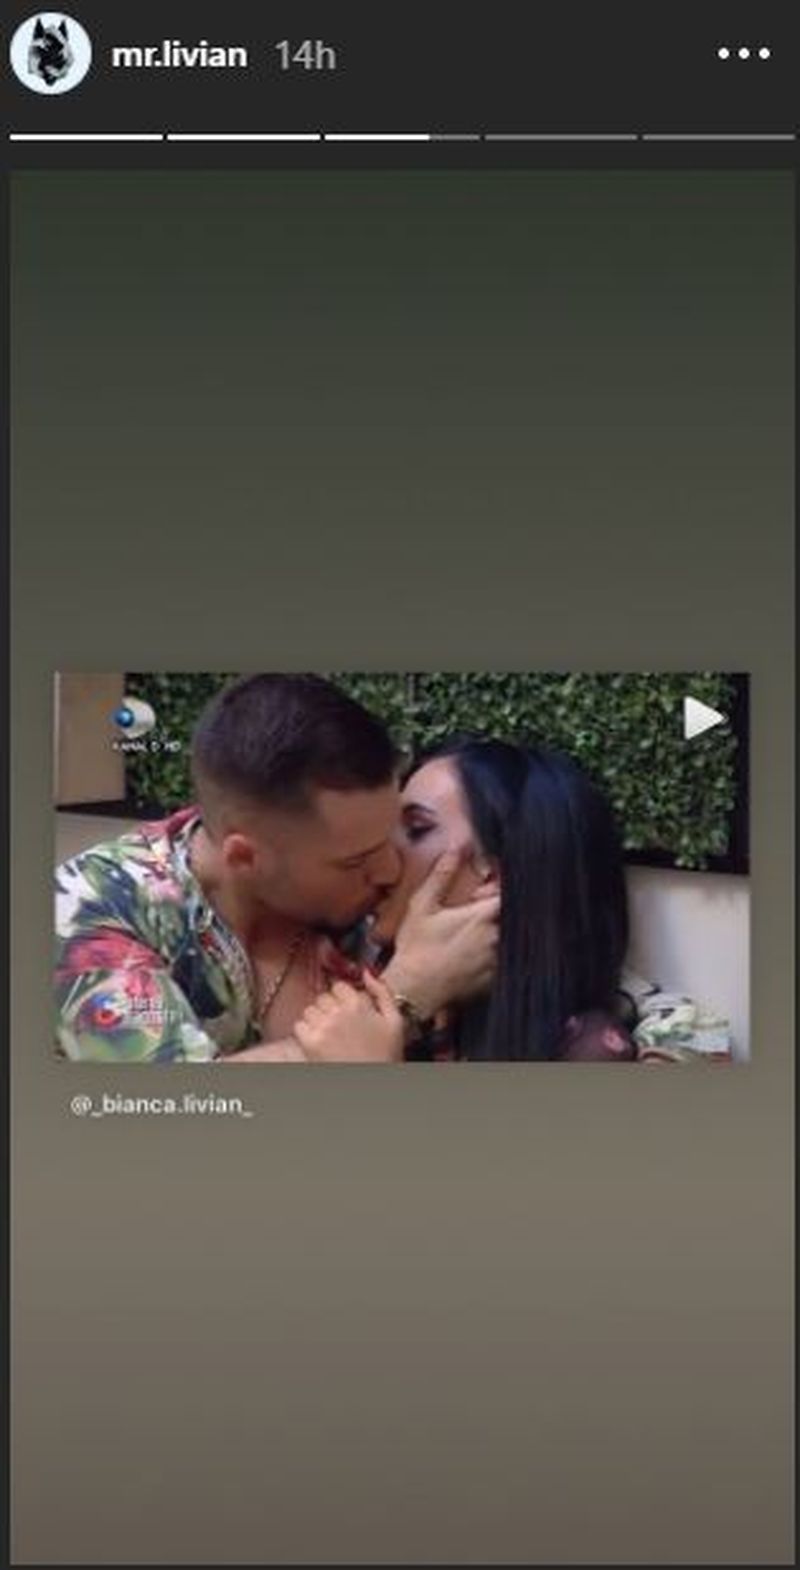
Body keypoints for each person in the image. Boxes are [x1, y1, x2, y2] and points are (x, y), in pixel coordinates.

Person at [55, 679, 499, 1062]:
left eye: (393, 835)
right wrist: (408, 992)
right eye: (355, 861)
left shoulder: (363, 908)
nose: (390, 870)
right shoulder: (93, 910)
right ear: (246, 858)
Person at [292, 737, 638, 1062]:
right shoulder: (337, 959)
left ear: (495, 877)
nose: (383, 859)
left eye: (416, 829)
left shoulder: (592, 1048)